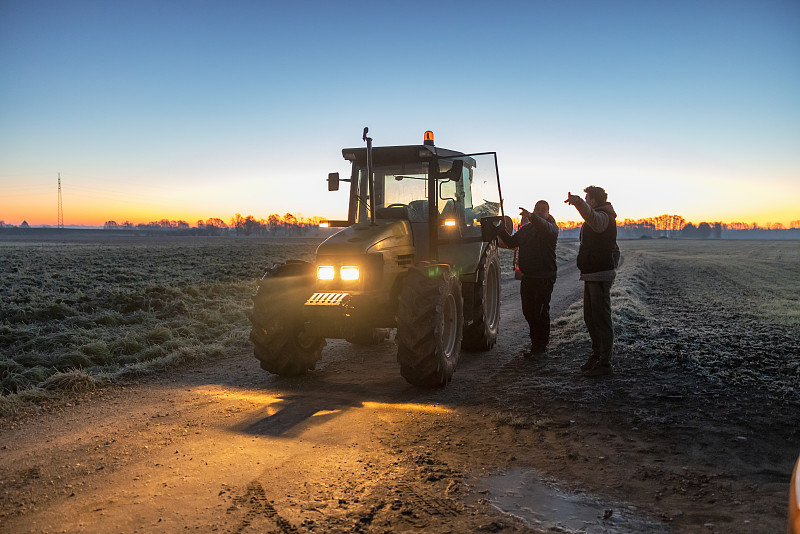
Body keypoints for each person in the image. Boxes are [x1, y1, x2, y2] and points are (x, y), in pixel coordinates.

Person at [565, 186, 620, 377]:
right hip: (592, 273)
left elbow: (594, 222)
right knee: (590, 318)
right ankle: (597, 356)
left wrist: (578, 203)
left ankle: (605, 364)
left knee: (601, 319)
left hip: (600, 274)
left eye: (588, 199)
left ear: (594, 201)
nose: (587, 201)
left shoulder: (604, 216)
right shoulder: (603, 216)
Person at [495, 200, 559, 358]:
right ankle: (535, 346)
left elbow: (543, 226)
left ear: (548, 212)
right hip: (528, 277)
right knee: (528, 312)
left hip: (544, 278)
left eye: (543, 210)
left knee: (541, 313)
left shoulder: (551, 228)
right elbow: (511, 242)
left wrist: (531, 216)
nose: (539, 212)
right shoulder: (527, 229)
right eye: (537, 209)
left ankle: (540, 349)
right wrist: (500, 230)